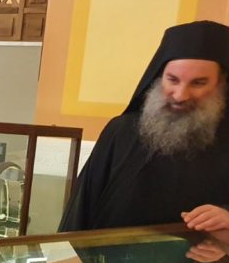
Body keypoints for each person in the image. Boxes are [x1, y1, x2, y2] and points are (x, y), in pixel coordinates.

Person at [60, 20, 229, 232]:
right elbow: (82, 208)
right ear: (159, 77)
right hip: (113, 252)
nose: (180, 95)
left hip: (202, 254)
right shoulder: (121, 131)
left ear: (222, 83)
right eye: (173, 80)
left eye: (198, 83)